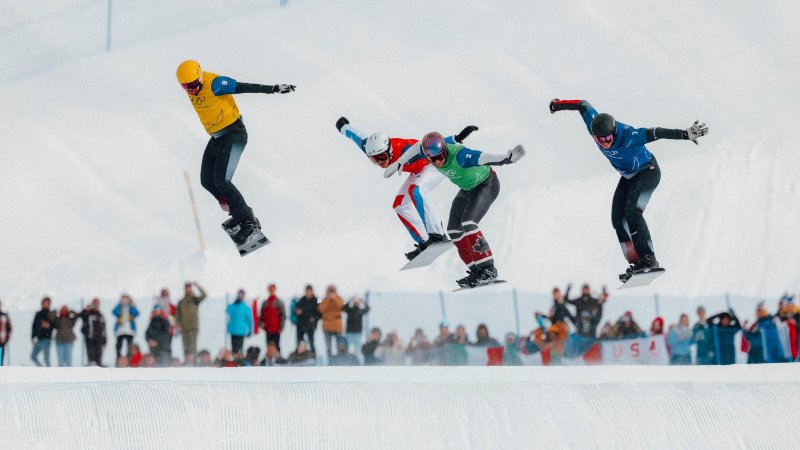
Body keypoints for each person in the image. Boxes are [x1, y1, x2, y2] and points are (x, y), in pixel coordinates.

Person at [549, 99, 708, 281]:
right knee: (617, 219)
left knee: (633, 213)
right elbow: (582, 104)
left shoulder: (628, 135)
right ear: (594, 135)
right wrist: (557, 104)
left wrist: (685, 134)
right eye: (601, 140)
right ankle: (637, 262)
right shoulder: (593, 124)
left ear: (614, 132)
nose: (606, 143)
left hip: (648, 172)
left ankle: (649, 259)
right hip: (628, 177)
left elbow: (657, 132)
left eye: (609, 138)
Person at [176, 60, 295, 245]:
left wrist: (273, 88)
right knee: (207, 180)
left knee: (222, 180)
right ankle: (240, 214)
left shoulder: (214, 83)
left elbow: (243, 87)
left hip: (234, 133)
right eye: (185, 87)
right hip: (217, 137)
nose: (190, 90)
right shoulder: (194, 87)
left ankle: (249, 223)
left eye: (192, 85)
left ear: (199, 77)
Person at [384, 132, 526, 287]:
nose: (439, 161)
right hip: (466, 189)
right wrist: (398, 163)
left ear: (445, 149)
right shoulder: (426, 151)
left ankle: (488, 270)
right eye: (434, 159)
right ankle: (476, 270)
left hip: (486, 184)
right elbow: (414, 149)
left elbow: (485, 157)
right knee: (453, 230)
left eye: (441, 156)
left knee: (469, 223)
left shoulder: (460, 155)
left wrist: (508, 158)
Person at [337, 117, 478, 259]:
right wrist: (344, 127)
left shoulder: (405, 149)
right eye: (374, 159)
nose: (379, 162)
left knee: (415, 191)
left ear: (390, 150)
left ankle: (437, 235)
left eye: (381, 156)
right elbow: (357, 137)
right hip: (418, 171)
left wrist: (457, 138)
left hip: (433, 165)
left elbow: (429, 144)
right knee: (400, 205)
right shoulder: (370, 147)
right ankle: (424, 242)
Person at [176, 281, 207, 364]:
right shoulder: (181, 302)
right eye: (186, 287)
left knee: (192, 346)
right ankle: (187, 363)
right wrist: (178, 325)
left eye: (189, 287)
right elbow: (177, 315)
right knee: (185, 346)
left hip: (193, 327)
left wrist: (197, 286)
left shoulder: (194, 299)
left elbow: (204, 295)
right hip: (184, 328)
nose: (187, 289)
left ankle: (194, 362)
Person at [318, 285, 345, 358]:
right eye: (329, 292)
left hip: (337, 327)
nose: (331, 293)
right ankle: (329, 361)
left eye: (332, 291)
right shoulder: (323, 300)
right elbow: (321, 309)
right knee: (328, 347)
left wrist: (334, 299)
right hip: (327, 327)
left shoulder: (339, 298)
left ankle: (340, 360)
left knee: (339, 345)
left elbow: (341, 306)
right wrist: (328, 300)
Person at [79, 298, 107, 367]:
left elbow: (104, 328)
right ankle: (90, 364)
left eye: (97, 304)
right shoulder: (88, 313)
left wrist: (105, 339)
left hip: (99, 338)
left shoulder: (101, 315)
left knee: (99, 353)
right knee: (90, 353)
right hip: (90, 337)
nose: (96, 305)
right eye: (95, 303)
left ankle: (99, 364)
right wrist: (86, 309)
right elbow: (81, 315)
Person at [259, 283, 286, 353]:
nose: (271, 291)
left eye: (272, 290)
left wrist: (281, 326)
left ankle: (278, 358)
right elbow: (262, 315)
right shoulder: (265, 302)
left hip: (276, 329)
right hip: (268, 328)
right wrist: (261, 323)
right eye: (270, 290)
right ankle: (269, 358)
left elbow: (283, 315)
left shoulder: (279, 302)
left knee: (276, 344)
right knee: (268, 344)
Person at [112, 294, 139, 360]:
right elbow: (114, 312)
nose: (125, 300)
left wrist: (131, 304)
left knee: (129, 346)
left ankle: (129, 360)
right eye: (123, 298)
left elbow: (136, 313)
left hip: (130, 331)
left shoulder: (131, 306)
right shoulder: (119, 307)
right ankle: (118, 360)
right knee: (119, 346)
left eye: (126, 298)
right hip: (120, 331)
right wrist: (120, 304)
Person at [226, 289, 253, 355]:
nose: (241, 296)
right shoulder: (233, 306)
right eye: (240, 294)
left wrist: (250, 330)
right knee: (234, 348)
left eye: (242, 295)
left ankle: (239, 360)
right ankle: (234, 359)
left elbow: (249, 320)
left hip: (240, 331)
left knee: (239, 348)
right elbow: (228, 311)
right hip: (233, 330)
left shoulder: (245, 307)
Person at [295, 285, 321, 353]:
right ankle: (300, 357)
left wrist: (314, 319)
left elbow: (319, 314)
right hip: (301, 325)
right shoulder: (301, 300)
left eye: (309, 291)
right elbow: (297, 311)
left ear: (312, 291)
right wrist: (298, 312)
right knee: (300, 342)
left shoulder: (316, 300)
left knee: (311, 342)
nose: (308, 292)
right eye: (307, 291)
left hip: (311, 325)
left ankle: (313, 356)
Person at [31, 296, 55, 367]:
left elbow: (55, 324)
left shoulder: (51, 314)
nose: (46, 304)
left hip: (47, 339)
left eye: (48, 303)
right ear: (42, 303)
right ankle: (41, 369)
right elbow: (34, 326)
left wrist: (49, 325)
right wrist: (32, 337)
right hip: (39, 339)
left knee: (46, 358)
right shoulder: (38, 314)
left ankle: (49, 372)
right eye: (45, 302)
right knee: (33, 356)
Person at [0, 300, 11, 366]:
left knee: (1, 356)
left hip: (2, 339)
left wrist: (6, 338)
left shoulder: (4, 316)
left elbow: (9, 328)